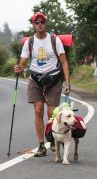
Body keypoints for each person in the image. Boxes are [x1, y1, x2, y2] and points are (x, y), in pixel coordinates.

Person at [14, 12, 70, 156]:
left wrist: (67, 83)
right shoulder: (30, 42)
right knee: (38, 110)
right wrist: (19, 67)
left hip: (54, 80)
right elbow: (24, 61)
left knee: (52, 113)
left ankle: (51, 138)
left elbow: (64, 62)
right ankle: (41, 145)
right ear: (33, 25)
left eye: (42, 22)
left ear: (45, 23)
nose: (40, 24)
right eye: (37, 22)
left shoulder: (54, 40)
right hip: (35, 79)